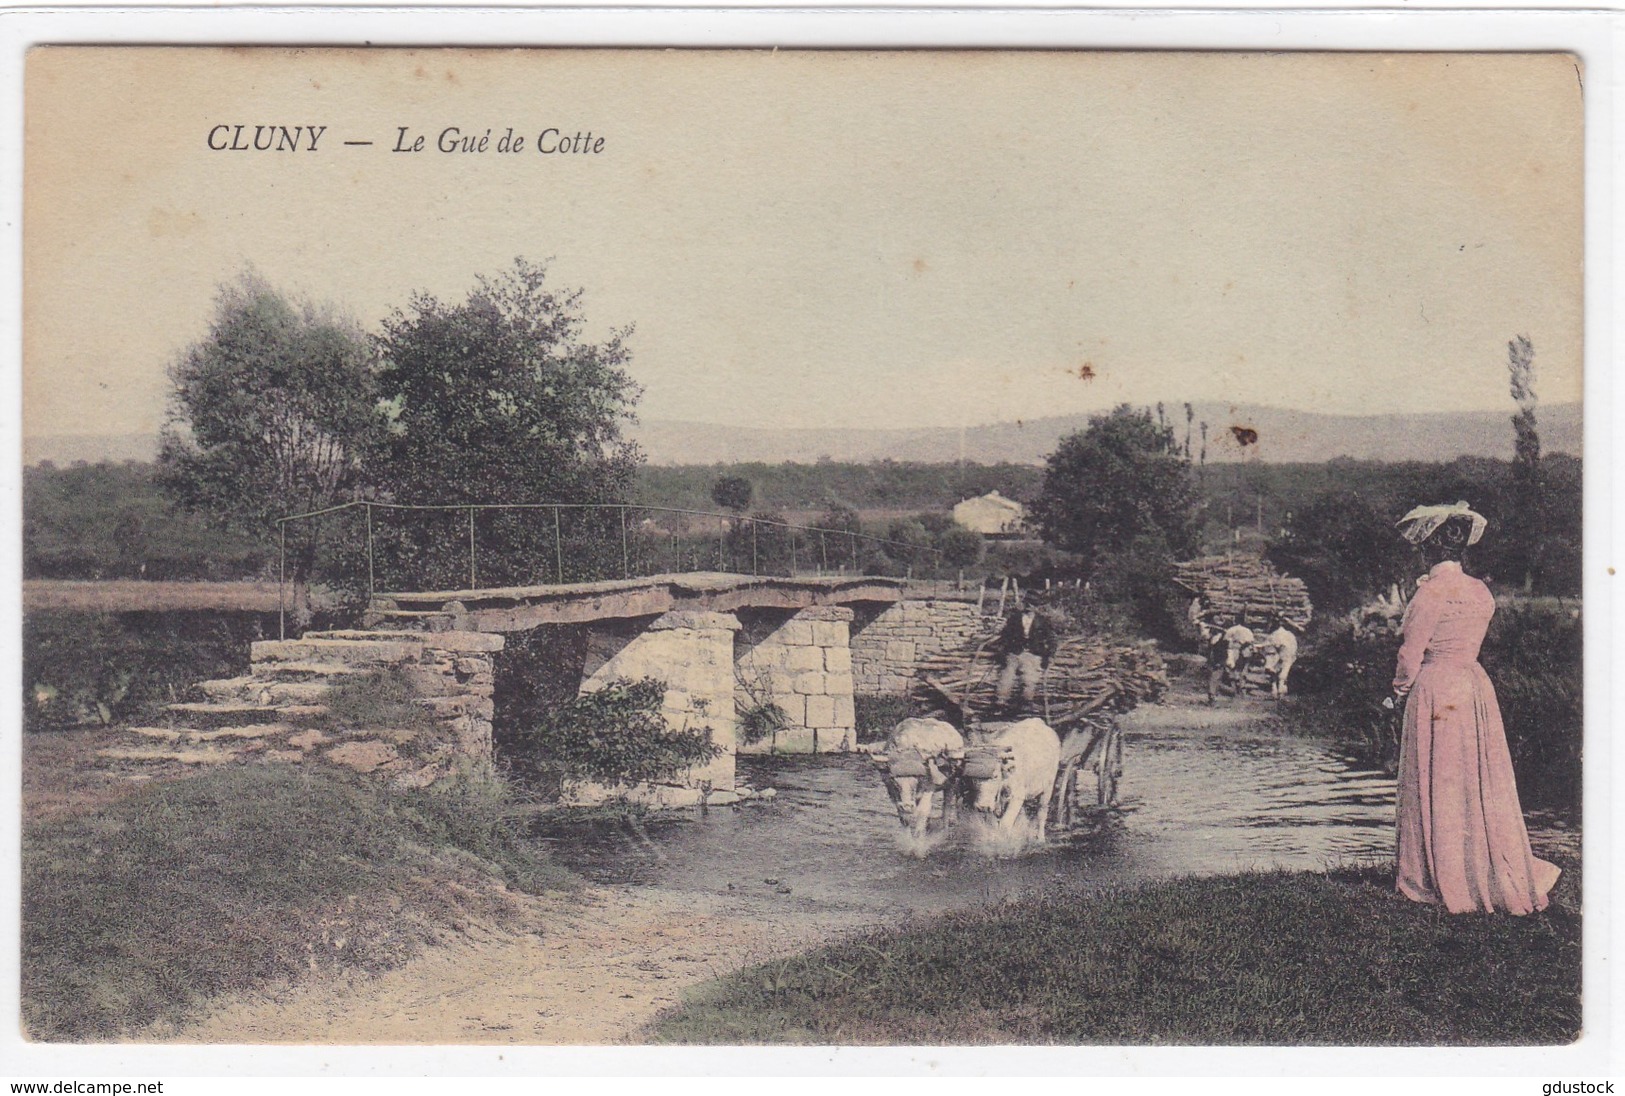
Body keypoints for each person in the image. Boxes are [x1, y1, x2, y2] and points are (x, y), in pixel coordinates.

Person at [1386, 501, 1560, 915]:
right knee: (1475, 776)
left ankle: (1435, 872)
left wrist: (1397, 692)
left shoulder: (1431, 591)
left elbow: (1411, 652)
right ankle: (1475, 863)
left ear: (1429, 546)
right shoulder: (1479, 590)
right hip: (1472, 683)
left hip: (1436, 684)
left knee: (1437, 774)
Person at [993, 602, 1057, 714]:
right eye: (1027, 602)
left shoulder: (1042, 621)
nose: (1029, 606)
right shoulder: (1015, 618)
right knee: (1006, 675)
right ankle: (1001, 702)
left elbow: (1052, 638)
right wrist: (1002, 649)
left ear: (1036, 606)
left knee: (1029, 677)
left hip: (1033, 653)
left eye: (1032, 603)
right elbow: (1005, 635)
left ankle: (1026, 702)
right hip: (1014, 652)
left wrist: (1051, 654)